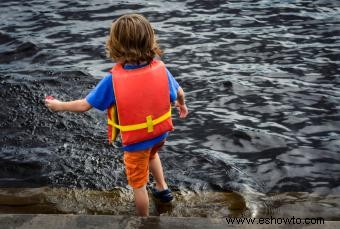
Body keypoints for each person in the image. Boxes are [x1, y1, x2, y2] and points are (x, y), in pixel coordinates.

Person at [45, 13, 188, 216]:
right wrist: (182, 106)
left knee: (138, 185)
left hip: (137, 142)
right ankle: (162, 188)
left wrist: (59, 106)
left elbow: (85, 105)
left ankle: (143, 220)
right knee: (153, 154)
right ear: (150, 40)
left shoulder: (113, 81)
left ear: (115, 45)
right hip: (159, 133)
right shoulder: (161, 70)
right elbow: (180, 92)